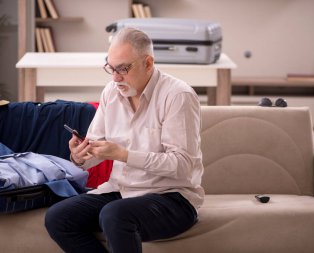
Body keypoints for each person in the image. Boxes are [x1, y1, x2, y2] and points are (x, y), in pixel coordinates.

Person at [45, 27, 204, 253]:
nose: (116, 77)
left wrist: (123, 155)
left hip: (172, 197)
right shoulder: (111, 92)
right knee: (58, 217)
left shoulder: (178, 96)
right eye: (111, 68)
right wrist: (79, 156)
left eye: (123, 69)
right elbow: (94, 149)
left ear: (148, 63)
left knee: (115, 215)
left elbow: (182, 165)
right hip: (121, 190)